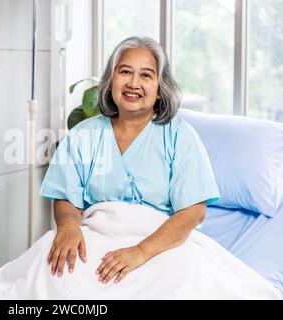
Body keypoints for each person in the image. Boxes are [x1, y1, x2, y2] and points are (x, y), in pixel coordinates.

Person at [39, 36, 220, 285]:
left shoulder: (179, 136)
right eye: (125, 71)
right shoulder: (83, 134)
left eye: (146, 75)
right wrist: (69, 227)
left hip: (161, 245)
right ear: (111, 80)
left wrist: (140, 252)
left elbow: (193, 212)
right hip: (95, 239)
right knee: (50, 277)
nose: (133, 83)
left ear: (159, 89)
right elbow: (65, 198)